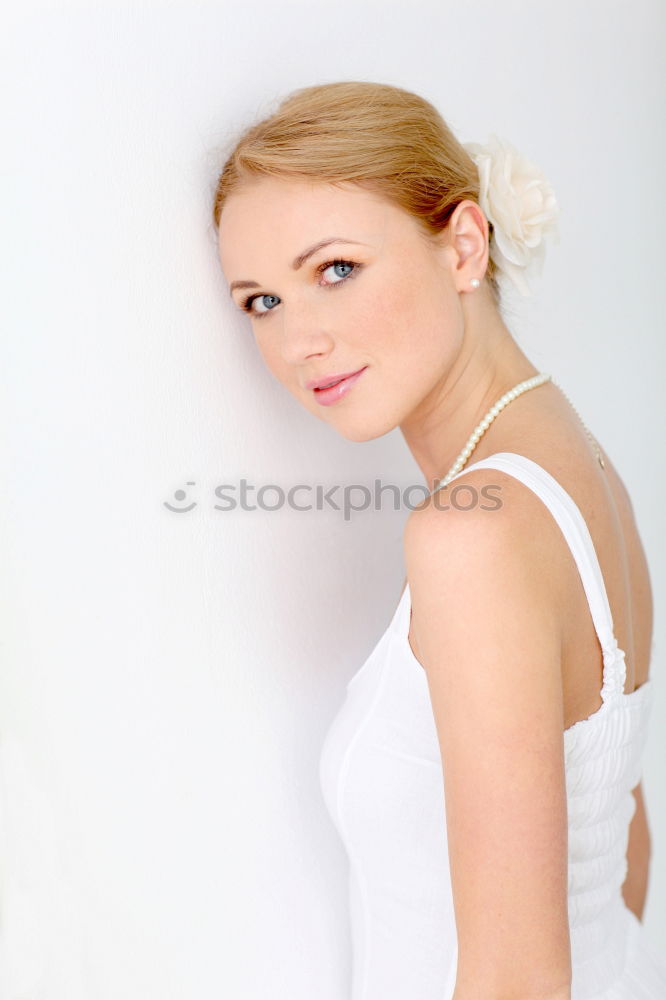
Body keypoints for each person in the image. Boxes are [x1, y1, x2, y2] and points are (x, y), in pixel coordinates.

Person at [212, 80, 666, 999]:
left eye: (336, 269)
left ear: (463, 245)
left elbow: (519, 981)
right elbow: (623, 832)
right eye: (261, 301)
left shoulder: (471, 536)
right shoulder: (577, 462)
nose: (300, 339)